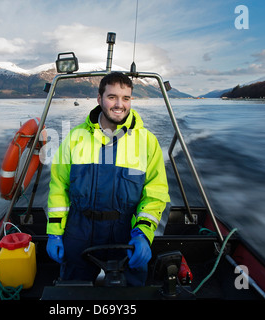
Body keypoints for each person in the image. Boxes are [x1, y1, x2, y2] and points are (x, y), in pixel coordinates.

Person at [46, 72, 170, 286]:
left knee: (132, 294)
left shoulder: (147, 142)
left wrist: (143, 233)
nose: (119, 104)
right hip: (79, 230)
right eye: (112, 97)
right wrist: (55, 233)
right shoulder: (74, 138)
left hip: (127, 232)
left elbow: (155, 194)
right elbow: (59, 187)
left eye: (126, 98)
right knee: (72, 291)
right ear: (99, 99)